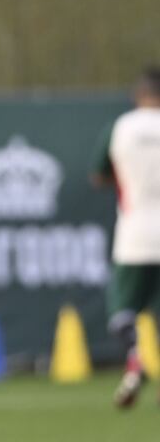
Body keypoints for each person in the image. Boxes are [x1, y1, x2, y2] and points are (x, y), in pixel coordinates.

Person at [90, 66, 160, 409]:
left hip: (135, 233)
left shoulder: (122, 127)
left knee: (122, 310)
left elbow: (99, 175)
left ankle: (136, 361)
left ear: (138, 94)